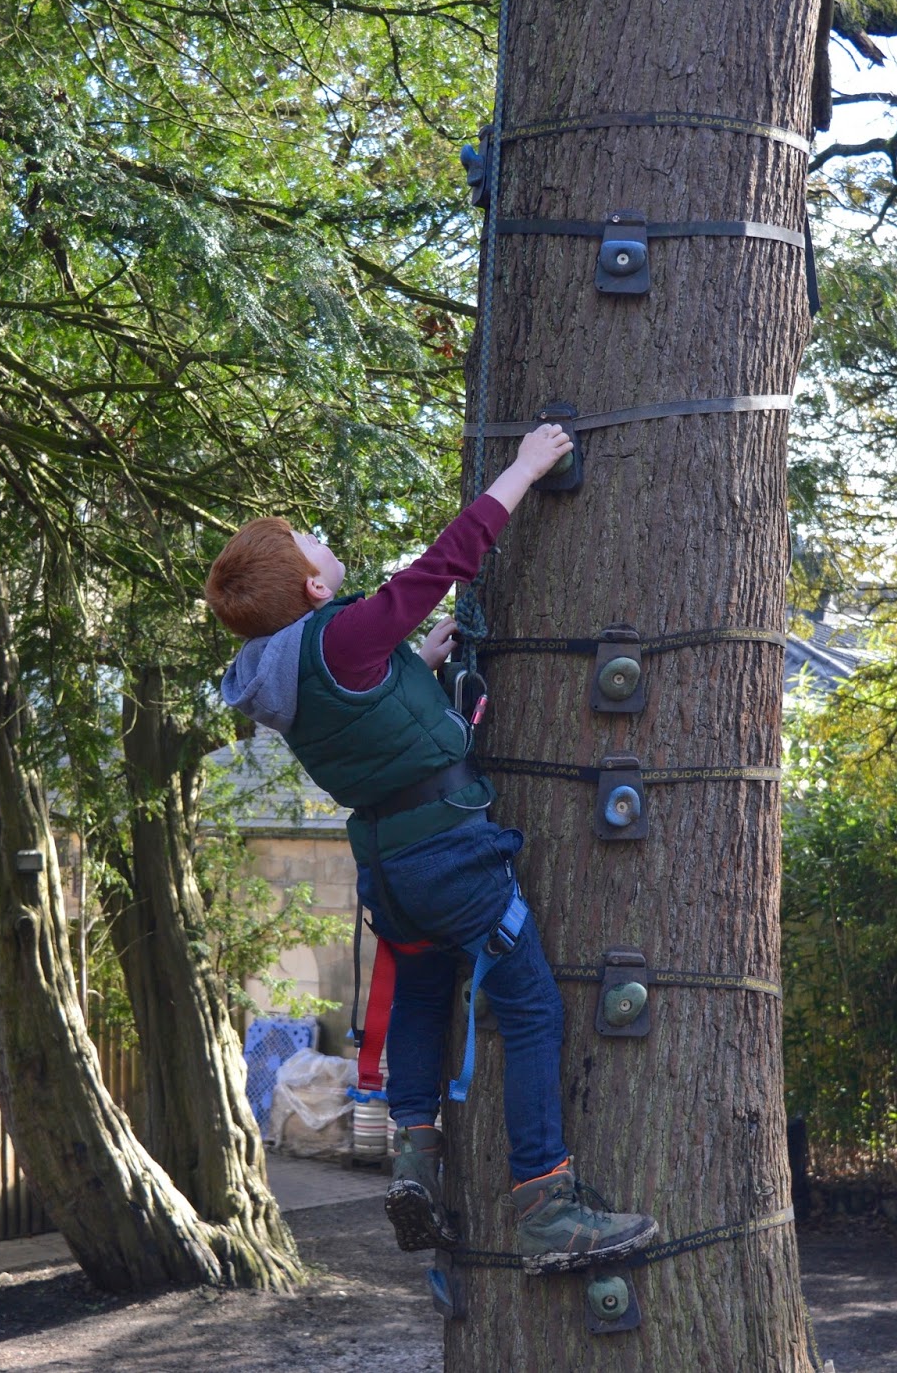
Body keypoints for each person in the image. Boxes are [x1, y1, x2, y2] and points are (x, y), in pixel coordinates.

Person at [204, 424, 657, 1272]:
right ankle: (546, 1204)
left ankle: (415, 1154)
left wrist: (411, 663)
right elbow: (443, 564)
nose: (325, 540)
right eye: (313, 541)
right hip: (448, 856)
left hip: (387, 867)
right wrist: (524, 467)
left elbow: (356, 710)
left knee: (419, 992)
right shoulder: (340, 635)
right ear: (311, 583)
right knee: (529, 1007)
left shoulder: (289, 667)